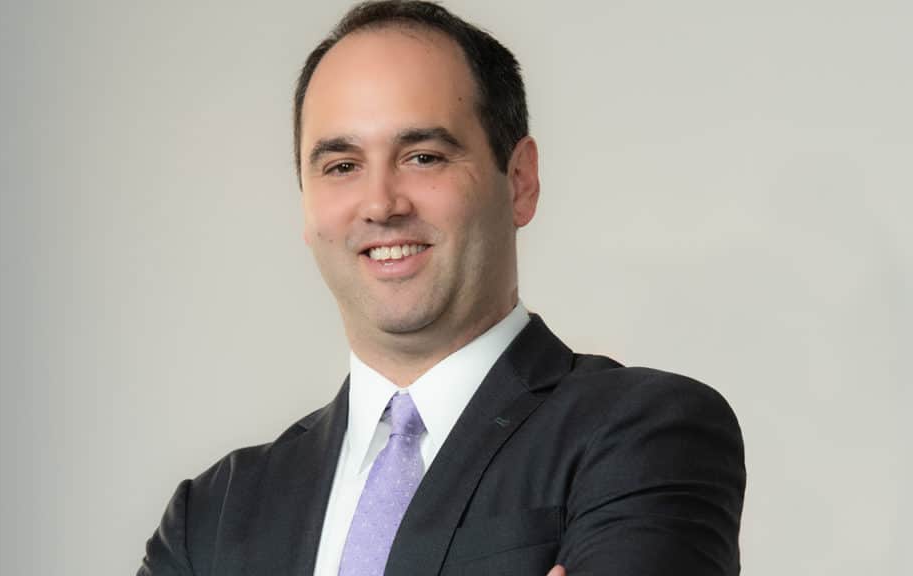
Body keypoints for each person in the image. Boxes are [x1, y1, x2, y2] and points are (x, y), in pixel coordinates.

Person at [137, 1, 746, 575]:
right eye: (342, 166)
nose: (381, 204)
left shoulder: (645, 437)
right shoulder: (212, 516)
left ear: (521, 181)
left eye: (423, 156)